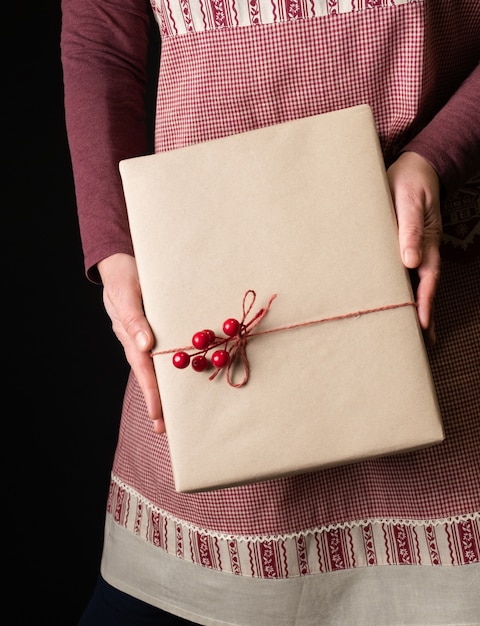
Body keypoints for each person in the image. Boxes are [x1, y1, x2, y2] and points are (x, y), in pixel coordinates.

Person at [60, 0, 480, 623]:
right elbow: (101, 37)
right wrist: (114, 241)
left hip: (431, 290)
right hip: (208, 298)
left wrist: (436, 155)